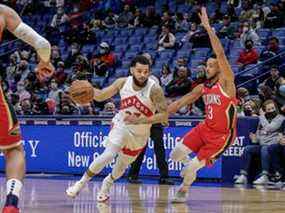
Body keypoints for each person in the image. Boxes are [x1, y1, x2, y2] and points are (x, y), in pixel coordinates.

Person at [66, 55, 169, 202]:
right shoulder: (122, 82)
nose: (142, 75)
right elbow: (101, 96)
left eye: (146, 71)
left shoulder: (154, 89)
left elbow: (164, 116)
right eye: (139, 71)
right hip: (122, 124)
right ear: (132, 70)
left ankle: (107, 183)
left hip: (140, 134)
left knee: (120, 168)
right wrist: (87, 88)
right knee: (108, 155)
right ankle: (80, 184)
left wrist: (141, 120)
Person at [168, 7, 238, 203]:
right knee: (175, 154)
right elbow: (182, 101)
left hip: (222, 136)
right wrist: (160, 114)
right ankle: (191, 166)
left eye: (211, 65)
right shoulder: (203, 87)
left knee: (190, 169)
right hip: (205, 128)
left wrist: (208, 28)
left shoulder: (227, 83)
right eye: (206, 65)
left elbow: (221, 54)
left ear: (219, 68)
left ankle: (184, 189)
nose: (207, 68)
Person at [0, 4, 54, 213]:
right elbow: (42, 43)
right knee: (13, 150)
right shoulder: (4, 12)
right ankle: (11, 203)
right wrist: (44, 62)